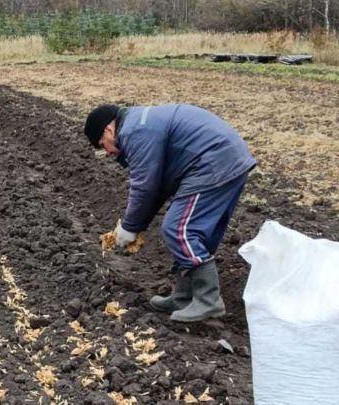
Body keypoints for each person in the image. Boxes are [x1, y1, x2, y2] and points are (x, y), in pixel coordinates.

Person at [83, 104, 256, 322]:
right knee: (195, 232)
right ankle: (183, 297)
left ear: (108, 130)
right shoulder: (139, 124)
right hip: (225, 158)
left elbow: (144, 185)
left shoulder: (133, 131)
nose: (107, 152)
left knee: (179, 228)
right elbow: (157, 188)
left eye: (102, 145)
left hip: (212, 161)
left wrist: (128, 226)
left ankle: (208, 300)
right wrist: (135, 225)